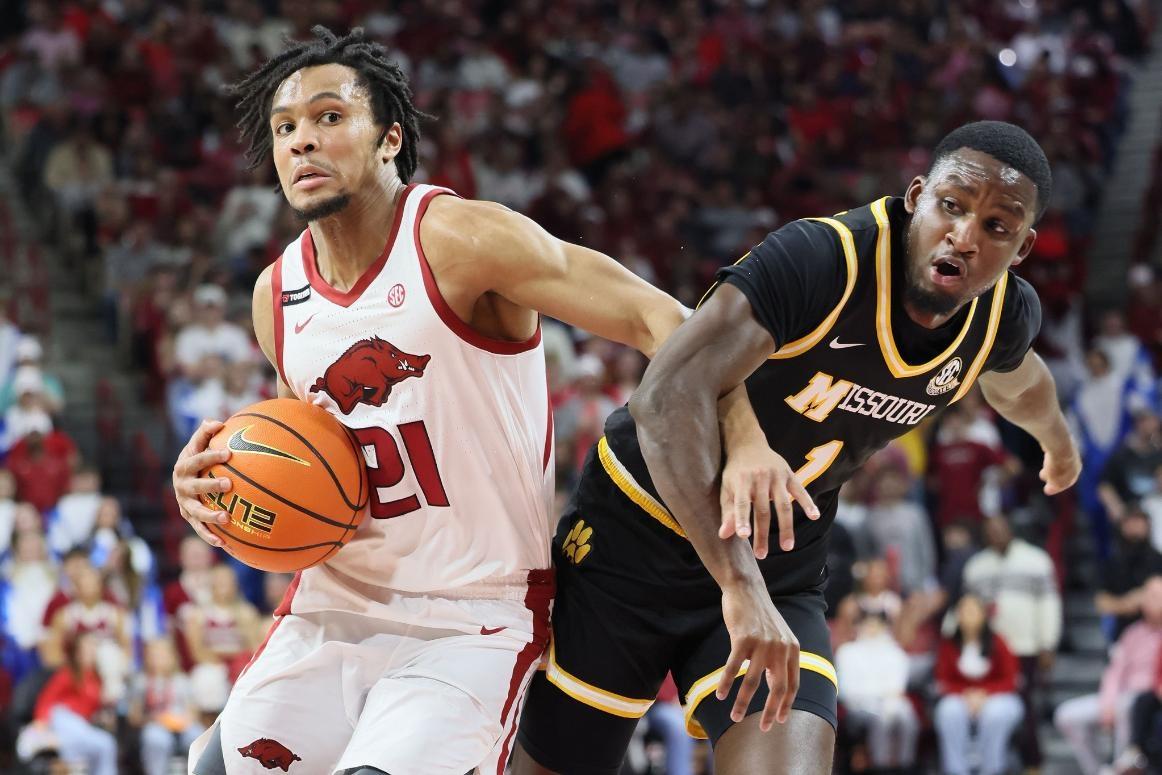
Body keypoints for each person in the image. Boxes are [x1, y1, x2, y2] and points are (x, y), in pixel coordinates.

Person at [170, 26, 753, 775]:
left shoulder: (463, 239)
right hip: (333, 605)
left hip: (470, 616)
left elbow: (662, 320)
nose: (301, 143)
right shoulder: (274, 295)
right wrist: (222, 492)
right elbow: (305, 457)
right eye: (285, 129)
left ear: (390, 138)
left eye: (327, 117)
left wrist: (748, 436)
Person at [514, 121, 1081, 774]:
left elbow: (1020, 383)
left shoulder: (999, 316)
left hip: (777, 553)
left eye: (996, 227)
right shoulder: (823, 259)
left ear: (1022, 247)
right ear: (916, 196)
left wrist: (1058, 444)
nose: (965, 235)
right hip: (636, 535)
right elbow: (668, 395)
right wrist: (736, 581)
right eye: (952, 206)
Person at [962, 513, 1062, 769]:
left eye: (1000, 528)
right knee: (991, 711)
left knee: (1025, 708)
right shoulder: (976, 567)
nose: (995, 534)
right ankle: (994, 763)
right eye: (990, 530)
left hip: (1025, 646)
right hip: (989, 650)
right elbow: (967, 609)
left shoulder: (1036, 560)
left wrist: (1047, 643)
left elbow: (1049, 604)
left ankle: (1033, 765)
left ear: (1011, 529)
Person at [1054, 575, 1162, 775]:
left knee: (1127, 705)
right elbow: (1114, 672)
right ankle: (1095, 770)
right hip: (1120, 695)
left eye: (1155, 596)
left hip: (1145, 698)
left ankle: (1121, 766)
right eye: (1147, 594)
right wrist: (1107, 703)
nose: (1148, 600)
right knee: (1066, 715)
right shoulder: (1132, 632)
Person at [933, 595, 1024, 775]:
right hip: (961, 698)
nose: (968, 616)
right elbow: (942, 680)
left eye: (973, 611)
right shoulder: (948, 645)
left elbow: (1011, 679)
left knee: (995, 714)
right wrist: (967, 694)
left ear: (983, 615)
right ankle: (956, 769)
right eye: (964, 611)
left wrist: (984, 693)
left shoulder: (998, 642)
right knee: (948, 711)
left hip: (997, 697)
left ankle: (992, 768)